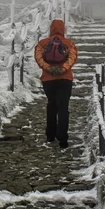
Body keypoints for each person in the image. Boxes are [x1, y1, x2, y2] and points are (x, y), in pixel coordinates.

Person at [33, 18, 78, 148]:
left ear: (50, 29)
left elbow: (38, 58)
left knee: (51, 105)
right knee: (63, 108)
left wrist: (49, 69)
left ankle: (50, 135)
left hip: (48, 79)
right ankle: (63, 138)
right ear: (63, 29)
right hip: (65, 79)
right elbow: (72, 58)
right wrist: (62, 69)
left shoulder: (42, 43)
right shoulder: (68, 43)